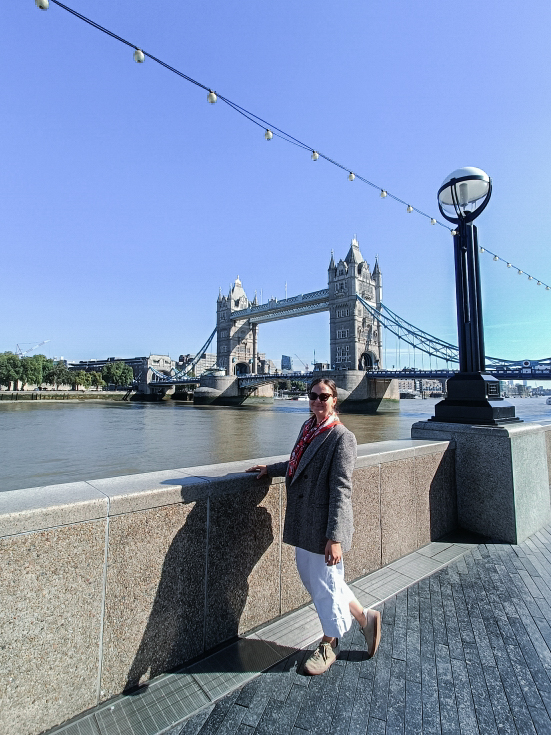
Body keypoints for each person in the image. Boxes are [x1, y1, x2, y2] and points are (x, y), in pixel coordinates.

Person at [247, 377, 381, 675]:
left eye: (324, 396)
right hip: (304, 519)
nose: (318, 401)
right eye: (313, 396)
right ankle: (364, 618)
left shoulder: (342, 437)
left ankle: (330, 642)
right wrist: (272, 469)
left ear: (335, 400)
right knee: (318, 579)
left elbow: (341, 490)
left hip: (322, 525)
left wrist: (334, 537)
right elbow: (298, 464)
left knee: (323, 583)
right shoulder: (308, 429)